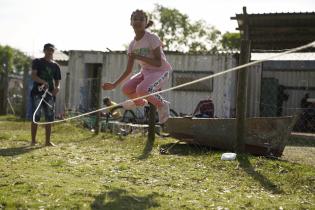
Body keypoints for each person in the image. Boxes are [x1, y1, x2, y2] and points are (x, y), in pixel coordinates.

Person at [102, 9, 172, 124]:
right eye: (135, 19)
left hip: (161, 71)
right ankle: (141, 102)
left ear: (146, 23)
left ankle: (162, 104)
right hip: (145, 72)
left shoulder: (152, 38)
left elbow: (158, 62)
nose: (138, 21)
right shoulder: (132, 45)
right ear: (131, 22)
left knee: (141, 89)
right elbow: (128, 70)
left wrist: (139, 56)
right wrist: (114, 84)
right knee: (126, 89)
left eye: (141, 19)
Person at [30, 43, 61, 146]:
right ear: (44, 51)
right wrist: (43, 82)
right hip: (37, 93)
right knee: (36, 116)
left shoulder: (55, 65)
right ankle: (33, 141)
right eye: (48, 50)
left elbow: (57, 80)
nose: (50, 52)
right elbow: (34, 76)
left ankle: (47, 141)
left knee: (49, 116)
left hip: (50, 94)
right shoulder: (37, 62)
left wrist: (57, 88)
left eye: (52, 50)